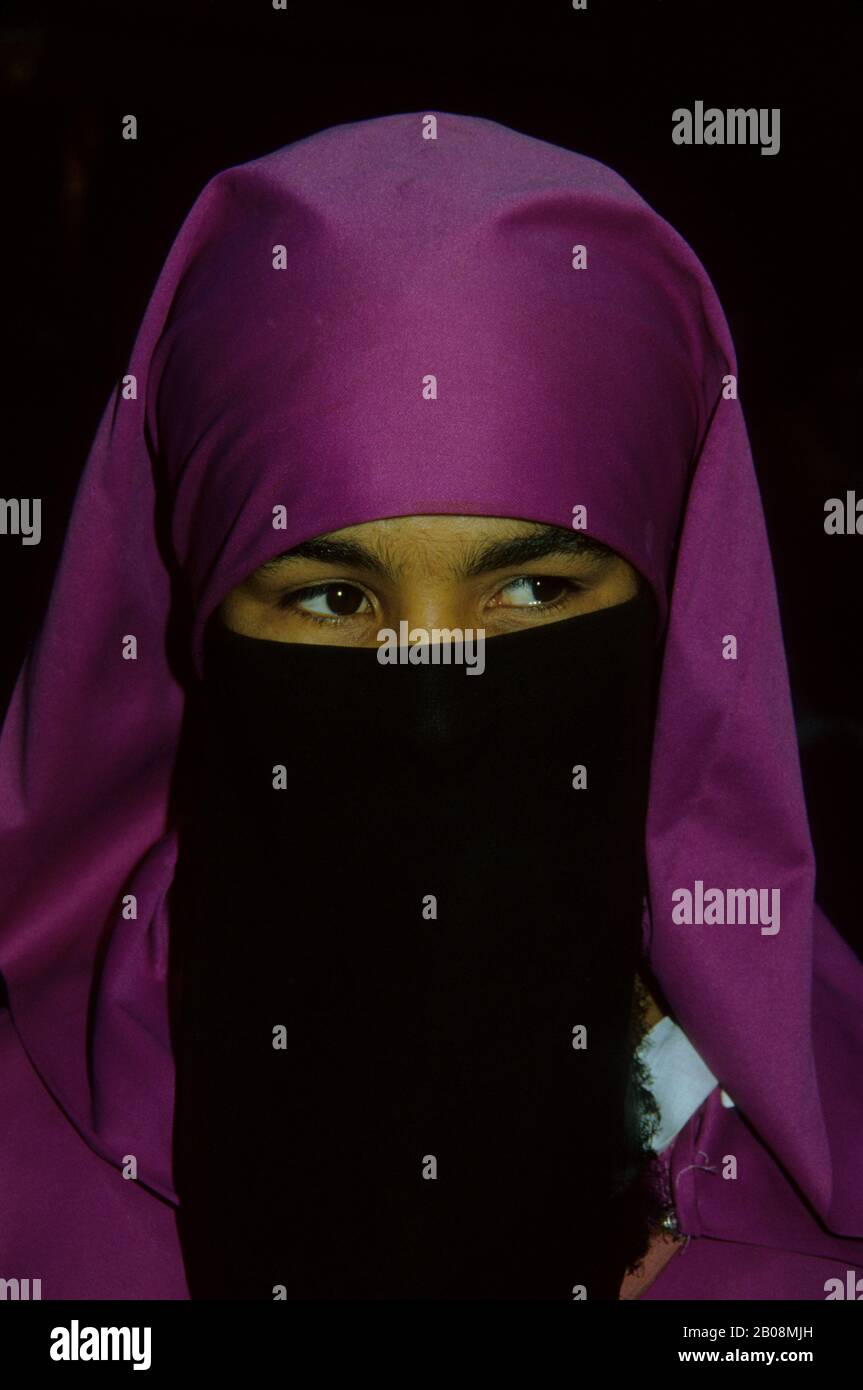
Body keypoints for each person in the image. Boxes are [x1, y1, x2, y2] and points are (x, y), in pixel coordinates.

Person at [1, 109, 862, 1301]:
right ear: (197, 630)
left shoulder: (821, 1185)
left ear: (670, 618)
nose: (437, 701)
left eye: (529, 587)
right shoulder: (28, 1177)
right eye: (333, 599)